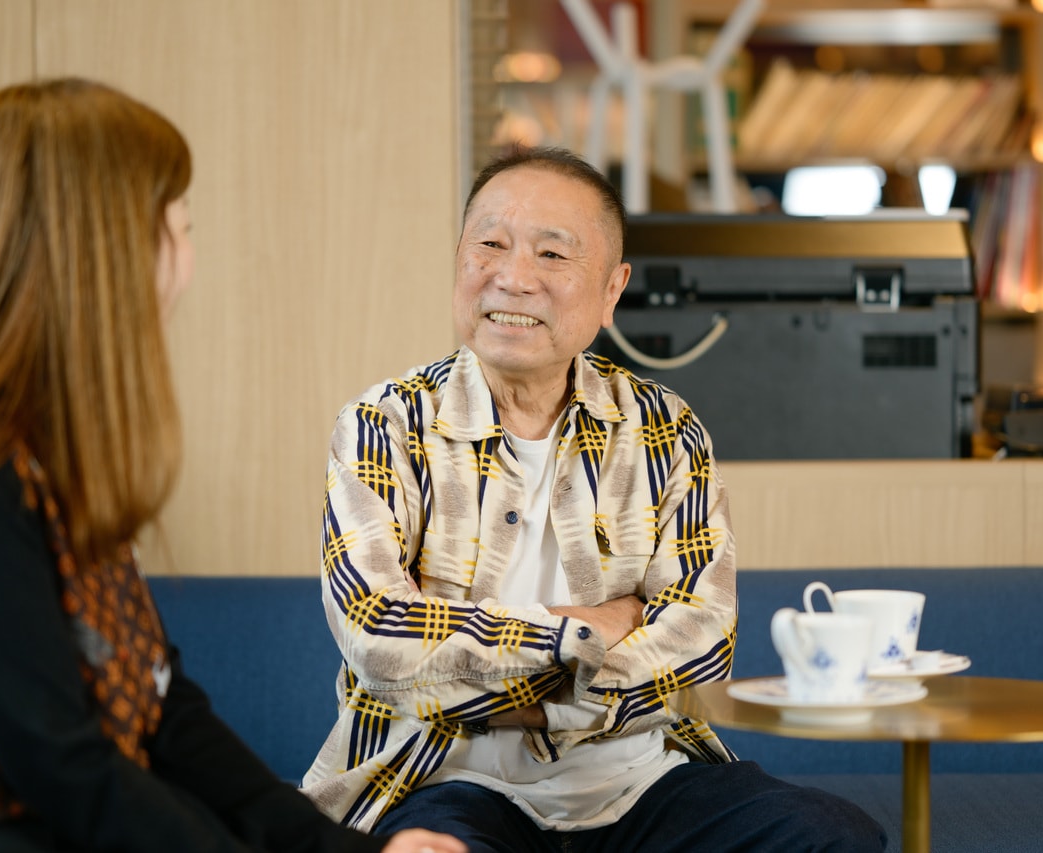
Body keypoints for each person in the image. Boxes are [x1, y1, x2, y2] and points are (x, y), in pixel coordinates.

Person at [0, 78, 465, 853]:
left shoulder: (54, 452)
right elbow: (69, 772)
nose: (189, 263)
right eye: (181, 228)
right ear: (105, 251)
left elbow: (163, 712)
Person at [301, 145, 888, 852]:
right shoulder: (382, 426)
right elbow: (381, 640)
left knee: (832, 837)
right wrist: (585, 627)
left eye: (553, 255)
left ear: (612, 290)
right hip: (443, 778)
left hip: (639, 780)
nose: (512, 277)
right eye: (489, 243)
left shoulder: (666, 428)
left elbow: (702, 647)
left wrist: (499, 677)